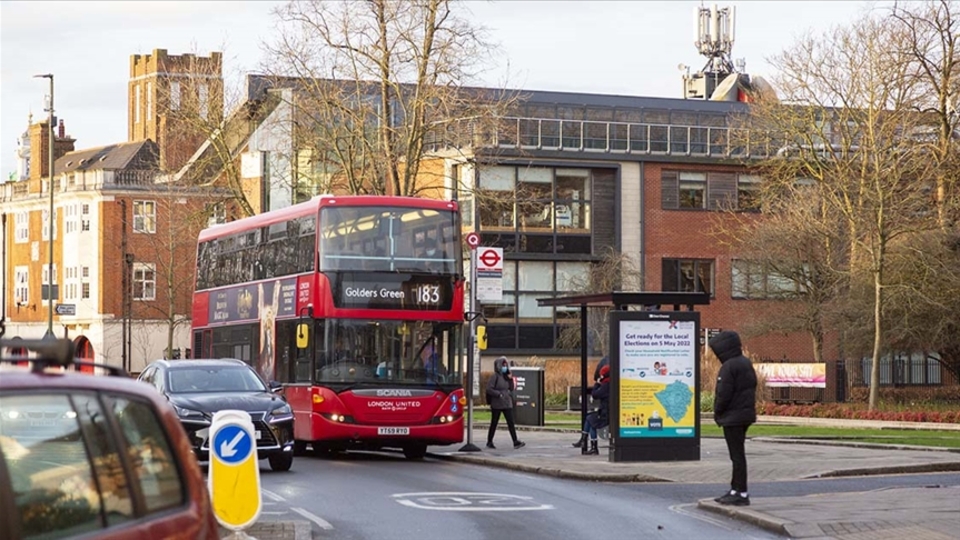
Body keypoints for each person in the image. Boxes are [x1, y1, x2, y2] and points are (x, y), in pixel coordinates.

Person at [709, 330, 758, 507]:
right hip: (745, 415)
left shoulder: (728, 367)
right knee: (738, 455)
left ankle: (740, 492)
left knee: (736, 456)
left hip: (732, 417)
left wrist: (718, 412)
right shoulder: (745, 363)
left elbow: (723, 394)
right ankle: (735, 489)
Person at [485, 357, 525, 450]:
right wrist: (498, 394)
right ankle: (489, 441)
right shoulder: (495, 376)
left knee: (510, 422)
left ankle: (515, 441)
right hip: (497, 403)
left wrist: (510, 379)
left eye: (506, 365)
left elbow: (511, 388)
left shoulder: (507, 376)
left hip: (507, 402)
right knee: (494, 422)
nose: (505, 367)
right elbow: (489, 389)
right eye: (503, 365)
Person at [572, 364, 611, 455]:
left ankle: (586, 441)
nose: (600, 376)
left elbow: (595, 395)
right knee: (590, 419)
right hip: (607, 411)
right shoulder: (609, 384)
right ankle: (590, 444)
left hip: (606, 413)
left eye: (601, 375)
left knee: (590, 420)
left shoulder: (606, 386)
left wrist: (597, 383)